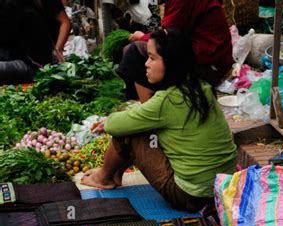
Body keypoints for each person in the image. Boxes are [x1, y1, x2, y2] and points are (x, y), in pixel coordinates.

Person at [81, 28, 237, 213]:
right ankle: (114, 175)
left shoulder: (167, 100)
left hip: (191, 196)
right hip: (223, 188)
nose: (146, 64)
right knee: (141, 127)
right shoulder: (201, 88)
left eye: (152, 58)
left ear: (170, 63)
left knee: (131, 134)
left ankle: (103, 178)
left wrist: (109, 121)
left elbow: (116, 126)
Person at [118, 0, 233, 100]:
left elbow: (169, 35)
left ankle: (151, 112)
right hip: (198, 54)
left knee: (133, 52)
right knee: (134, 51)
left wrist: (142, 37)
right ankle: (146, 103)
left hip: (209, 64)